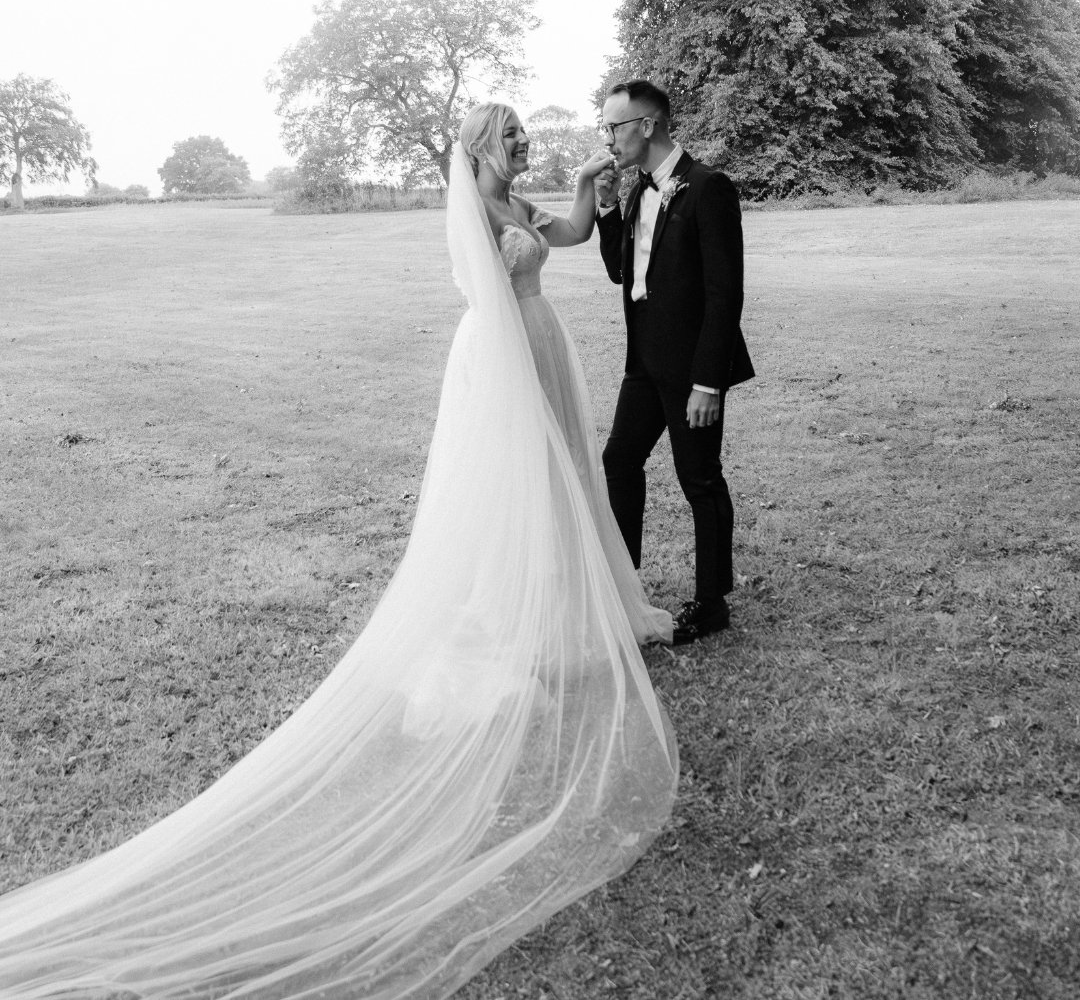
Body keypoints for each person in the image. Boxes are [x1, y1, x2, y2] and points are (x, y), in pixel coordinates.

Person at [0, 102, 677, 1000]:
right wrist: (512, 358)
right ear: (479, 148)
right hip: (502, 355)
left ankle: (557, 608)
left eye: (522, 136)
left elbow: (576, 231)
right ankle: (495, 622)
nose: (522, 145)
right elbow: (483, 294)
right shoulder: (474, 211)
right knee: (509, 491)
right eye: (510, 137)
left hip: (544, 345)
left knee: (557, 490)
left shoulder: (521, 207)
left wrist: (590, 185)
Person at [593, 79, 754, 645]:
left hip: (691, 371)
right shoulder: (638, 189)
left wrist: (709, 381)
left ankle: (712, 603)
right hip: (643, 362)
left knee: (699, 479)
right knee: (618, 462)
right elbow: (621, 270)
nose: (607, 136)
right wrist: (610, 208)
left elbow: (724, 294)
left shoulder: (708, 188)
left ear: (646, 124)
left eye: (612, 125)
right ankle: (623, 587)